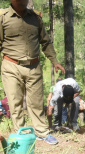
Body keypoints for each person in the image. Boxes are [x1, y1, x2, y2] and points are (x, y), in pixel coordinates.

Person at [0, 0, 65, 145]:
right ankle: (22, 135)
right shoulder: (2, 17)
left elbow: (46, 42)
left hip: (34, 66)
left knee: (36, 102)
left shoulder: (36, 18)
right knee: (15, 103)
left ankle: (42, 132)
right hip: (11, 66)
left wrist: (55, 61)